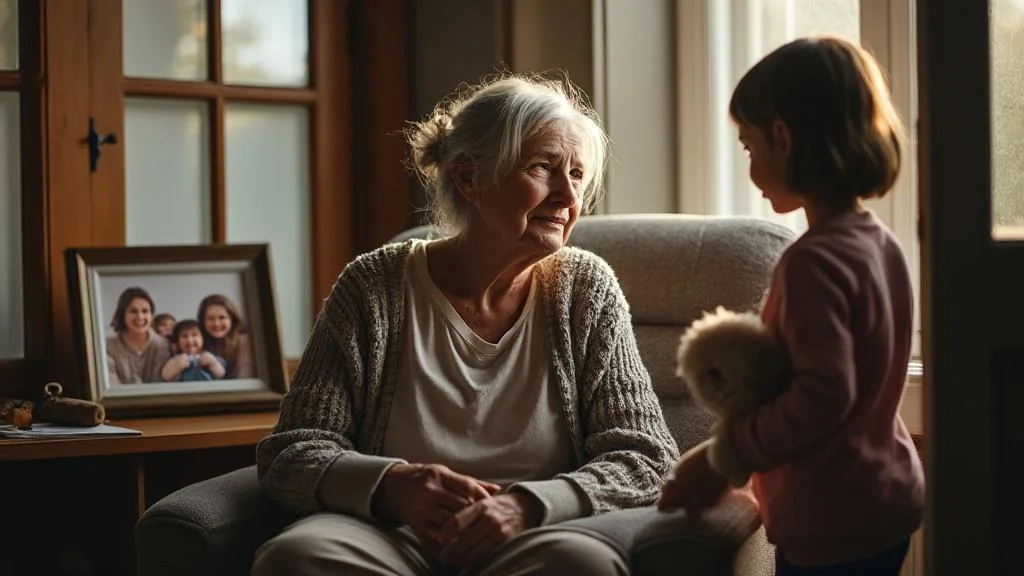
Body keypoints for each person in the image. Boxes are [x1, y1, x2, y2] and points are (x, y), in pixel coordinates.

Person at [252, 73, 679, 576]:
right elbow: (291, 451)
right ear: (469, 179)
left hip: (533, 533)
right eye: (542, 167)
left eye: (578, 175)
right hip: (390, 534)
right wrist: (391, 485)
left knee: (579, 563)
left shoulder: (585, 289)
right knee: (294, 558)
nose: (567, 195)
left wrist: (529, 506)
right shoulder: (373, 286)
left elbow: (645, 455)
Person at [657, 37, 925, 575]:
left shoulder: (811, 264)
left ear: (783, 139)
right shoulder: (880, 244)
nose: (751, 165)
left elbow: (823, 395)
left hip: (830, 516)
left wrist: (725, 459)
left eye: (750, 147)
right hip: (883, 497)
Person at [105, 286, 172, 384]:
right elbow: (110, 386)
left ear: (152, 315)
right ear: (122, 314)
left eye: (145, 311)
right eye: (133, 311)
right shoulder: (109, 346)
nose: (140, 317)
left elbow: (160, 386)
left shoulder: (163, 346)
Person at [196, 294, 253, 379]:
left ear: (232, 319)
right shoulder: (199, 341)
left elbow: (244, 378)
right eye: (211, 318)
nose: (216, 324)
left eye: (222, 318)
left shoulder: (244, 342)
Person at [161, 318, 228, 382]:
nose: (190, 340)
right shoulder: (175, 358)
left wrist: (213, 363)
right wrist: (176, 364)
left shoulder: (212, 356)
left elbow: (221, 374)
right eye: (184, 336)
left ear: (203, 338)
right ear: (177, 342)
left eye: (194, 335)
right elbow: (165, 376)